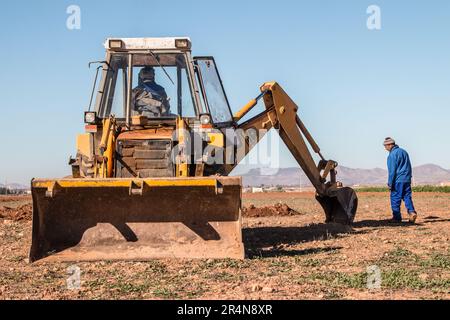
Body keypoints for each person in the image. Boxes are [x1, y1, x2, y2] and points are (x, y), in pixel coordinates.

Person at [383, 137, 418, 223]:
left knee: (395, 198)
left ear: (390, 145)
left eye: (386, 146)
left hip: (398, 180)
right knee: (407, 196)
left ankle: (397, 218)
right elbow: (409, 166)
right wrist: (409, 177)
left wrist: (390, 183)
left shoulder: (392, 155)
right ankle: (412, 212)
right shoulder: (404, 152)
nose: (385, 148)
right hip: (406, 179)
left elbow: (392, 171)